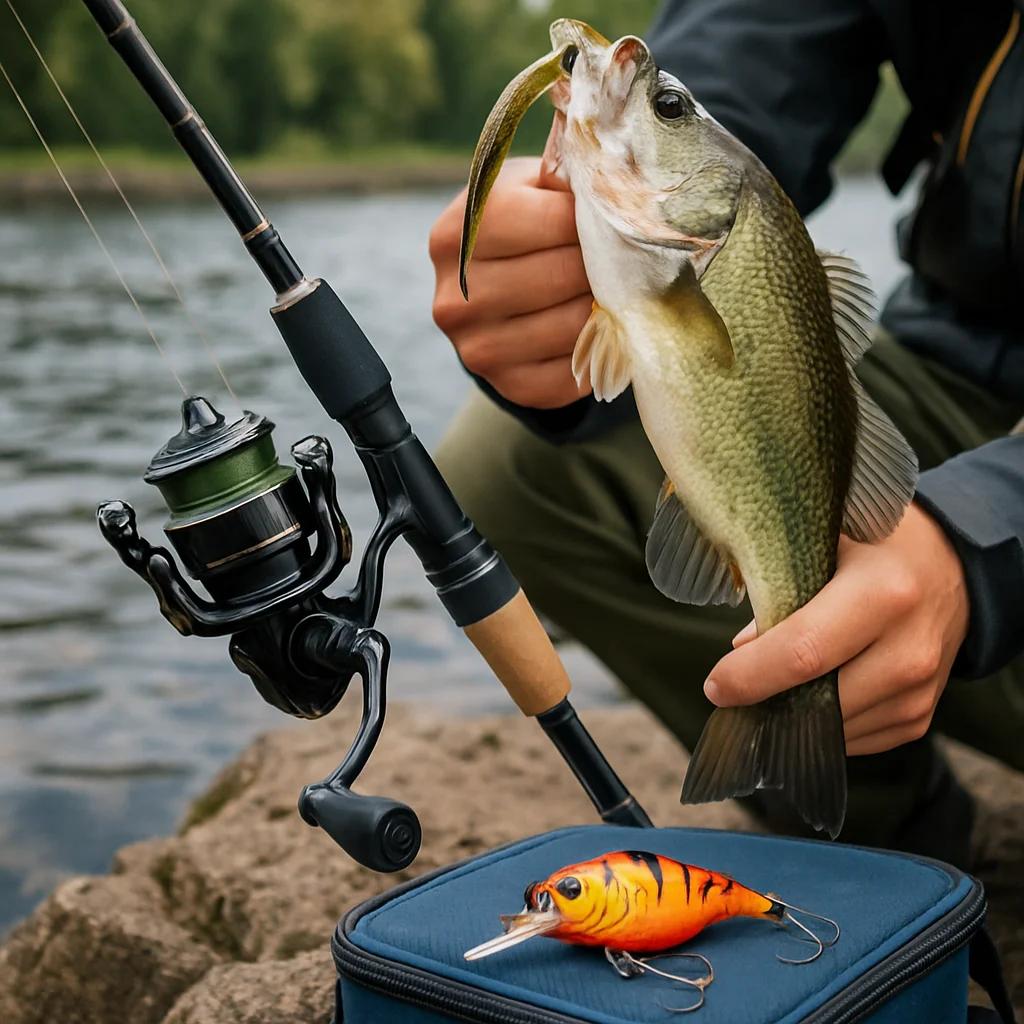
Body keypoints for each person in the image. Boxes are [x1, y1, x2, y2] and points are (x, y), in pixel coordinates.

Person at [428, 0, 1024, 866]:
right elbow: (751, 62)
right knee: (507, 470)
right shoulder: (694, 219)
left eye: (664, 108)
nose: (649, 97)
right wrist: (544, 320)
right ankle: (874, 835)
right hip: (955, 361)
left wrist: (984, 536)